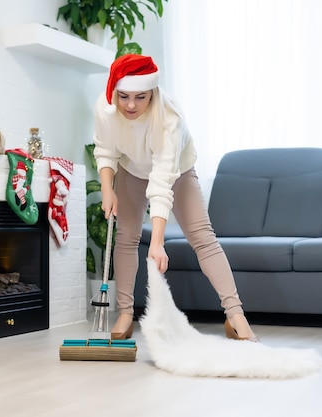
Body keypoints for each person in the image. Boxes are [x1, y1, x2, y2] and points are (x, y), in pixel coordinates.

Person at [93, 54, 259, 342]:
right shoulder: (106, 108)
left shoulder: (169, 120)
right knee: (126, 237)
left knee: (203, 237)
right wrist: (108, 189)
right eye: (124, 97)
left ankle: (236, 316)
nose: (130, 105)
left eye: (140, 97)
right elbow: (106, 150)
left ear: (152, 93)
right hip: (131, 168)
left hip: (176, 171)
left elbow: (161, 182)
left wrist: (157, 242)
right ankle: (125, 313)